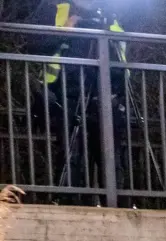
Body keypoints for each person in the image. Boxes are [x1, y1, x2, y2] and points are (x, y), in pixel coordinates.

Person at [35, 2, 126, 199]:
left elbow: (121, 61)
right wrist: (66, 30)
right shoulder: (58, 10)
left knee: (111, 159)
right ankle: (67, 204)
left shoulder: (109, 17)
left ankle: (117, 208)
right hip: (68, 96)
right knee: (71, 156)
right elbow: (37, 45)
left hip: (104, 97)